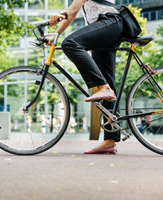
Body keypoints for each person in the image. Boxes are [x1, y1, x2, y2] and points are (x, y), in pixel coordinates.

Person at [48, 0, 125, 154]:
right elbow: (74, 11)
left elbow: (75, 6)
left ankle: (104, 88)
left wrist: (62, 14)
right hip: (104, 29)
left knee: (70, 43)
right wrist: (56, 34)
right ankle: (110, 140)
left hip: (110, 22)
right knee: (106, 80)